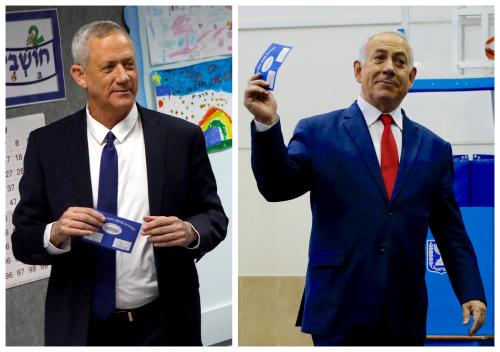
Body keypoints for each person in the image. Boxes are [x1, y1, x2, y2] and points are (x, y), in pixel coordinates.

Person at [244, 31, 486, 346]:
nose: (389, 68)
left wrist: (471, 292)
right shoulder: (318, 132)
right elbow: (277, 188)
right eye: (379, 58)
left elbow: (449, 228)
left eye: (399, 62)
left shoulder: (435, 148)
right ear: (359, 70)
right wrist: (266, 126)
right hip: (338, 306)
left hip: (403, 312)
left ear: (410, 77)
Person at [12, 21, 228, 346]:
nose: (124, 77)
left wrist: (190, 232)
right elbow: (23, 239)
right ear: (80, 75)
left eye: (129, 64)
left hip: (166, 323)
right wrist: (54, 232)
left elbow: (214, 216)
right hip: (82, 327)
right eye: (109, 67)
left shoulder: (181, 138)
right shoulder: (47, 145)